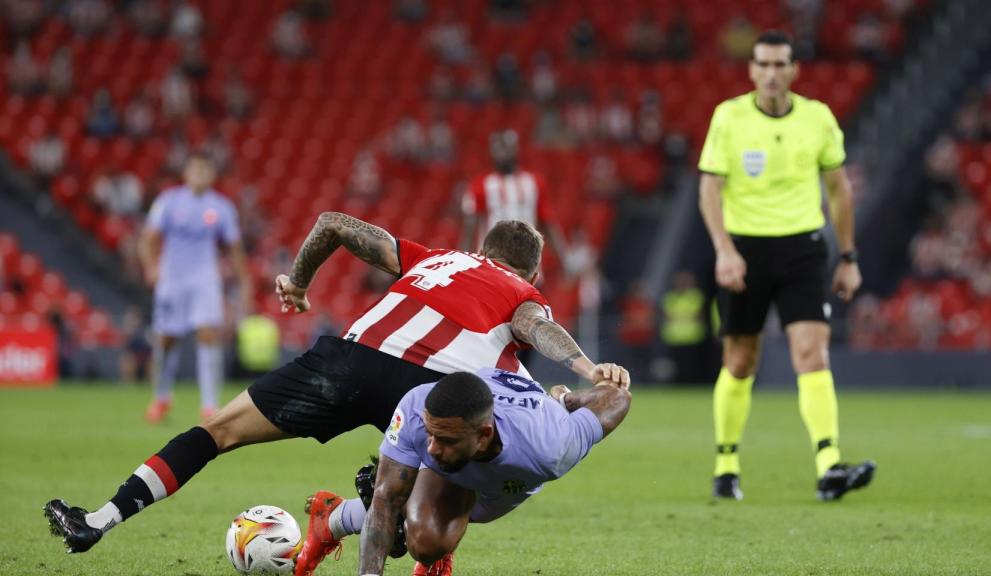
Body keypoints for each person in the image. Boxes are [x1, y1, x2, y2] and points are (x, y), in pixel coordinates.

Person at [44, 219, 621, 556]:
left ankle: (98, 520)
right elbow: (533, 328)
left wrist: (297, 282)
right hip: (424, 389)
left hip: (345, 361)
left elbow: (333, 223)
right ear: (532, 273)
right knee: (438, 502)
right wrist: (585, 368)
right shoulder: (520, 290)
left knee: (217, 431)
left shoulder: (436, 257)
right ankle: (379, 512)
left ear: (482, 249)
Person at [697, 30, 874, 501]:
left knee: (812, 353)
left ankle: (829, 464)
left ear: (794, 70)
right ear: (752, 70)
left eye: (781, 65)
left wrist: (849, 257)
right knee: (739, 360)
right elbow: (710, 188)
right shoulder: (729, 118)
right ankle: (726, 465)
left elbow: (838, 190)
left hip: (803, 248)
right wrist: (724, 249)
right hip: (745, 249)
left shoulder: (817, 119)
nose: (772, 74)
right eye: (764, 65)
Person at [295, 367, 631, 576]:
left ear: (483, 436)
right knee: (423, 539)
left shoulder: (550, 447)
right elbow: (384, 498)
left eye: (444, 439)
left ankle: (338, 513)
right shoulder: (417, 408)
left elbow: (618, 398)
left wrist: (570, 400)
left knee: (443, 519)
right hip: (467, 457)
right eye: (429, 434)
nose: (431, 448)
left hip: (523, 439)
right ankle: (335, 521)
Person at [137, 151, 251, 423]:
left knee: (208, 333)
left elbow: (234, 249)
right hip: (172, 278)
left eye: (204, 169)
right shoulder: (168, 201)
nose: (199, 174)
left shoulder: (222, 207)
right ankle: (161, 396)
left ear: (212, 175)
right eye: (195, 169)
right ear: (186, 172)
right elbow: (148, 239)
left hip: (204, 278)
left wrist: (244, 280)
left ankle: (210, 406)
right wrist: (151, 267)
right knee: (166, 339)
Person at [461, 130, 568, 270]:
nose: (502, 153)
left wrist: (564, 258)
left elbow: (547, 222)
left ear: (515, 148)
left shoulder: (534, 183)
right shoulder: (480, 185)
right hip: (492, 264)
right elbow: (469, 228)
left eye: (505, 147)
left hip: (527, 263)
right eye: (497, 148)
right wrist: (463, 261)